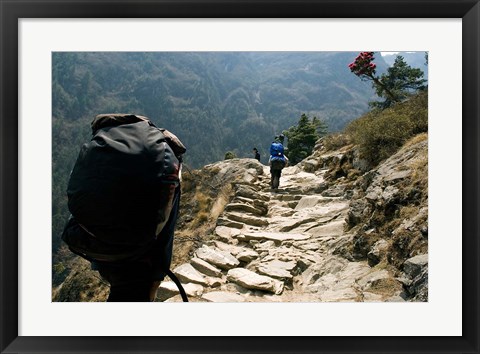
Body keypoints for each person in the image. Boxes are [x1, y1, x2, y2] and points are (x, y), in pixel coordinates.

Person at [62, 114, 187, 302]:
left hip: (96, 244)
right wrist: (159, 268)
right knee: (138, 293)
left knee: (121, 291)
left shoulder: (100, 147)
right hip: (142, 254)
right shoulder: (161, 149)